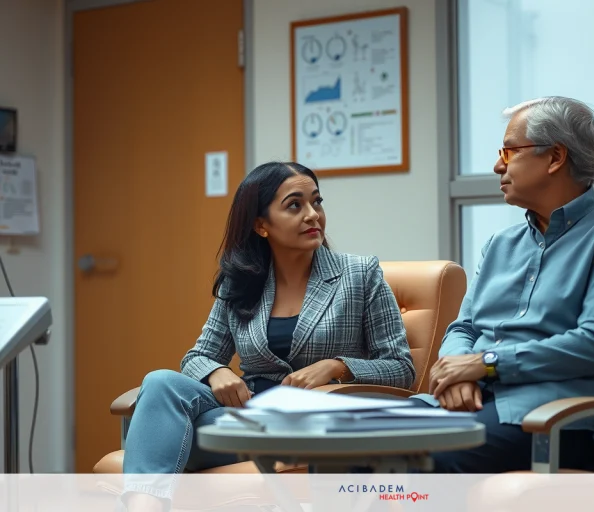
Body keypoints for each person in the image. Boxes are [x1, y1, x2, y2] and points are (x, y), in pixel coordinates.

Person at [121, 161, 416, 510]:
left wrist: (335, 366)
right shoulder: (242, 281)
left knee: (162, 436)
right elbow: (197, 357)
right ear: (261, 225)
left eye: (316, 202)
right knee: (159, 383)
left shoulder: (360, 274)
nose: (313, 215)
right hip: (250, 418)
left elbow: (401, 369)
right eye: (295, 205)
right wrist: (218, 372)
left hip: (319, 422)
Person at [411, 96, 594, 473]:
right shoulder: (500, 244)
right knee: (345, 448)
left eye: (509, 152)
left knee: (418, 461)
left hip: (553, 417)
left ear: (555, 157)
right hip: (475, 402)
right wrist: (457, 373)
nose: (497, 166)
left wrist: (484, 365)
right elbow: (465, 326)